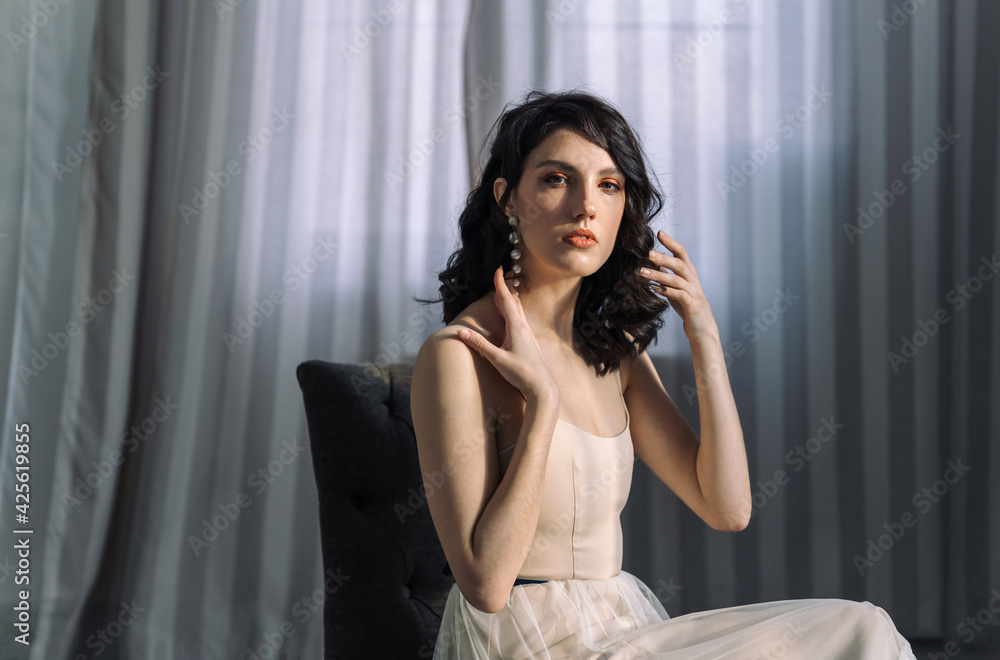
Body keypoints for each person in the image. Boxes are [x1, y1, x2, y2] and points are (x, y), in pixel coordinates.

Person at [411, 90, 916, 659]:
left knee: (862, 628)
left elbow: (727, 509)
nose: (585, 207)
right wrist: (542, 406)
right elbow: (485, 585)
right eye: (557, 179)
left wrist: (704, 335)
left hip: (622, 631)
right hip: (525, 643)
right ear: (507, 198)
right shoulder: (459, 353)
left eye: (609, 185)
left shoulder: (613, 351)